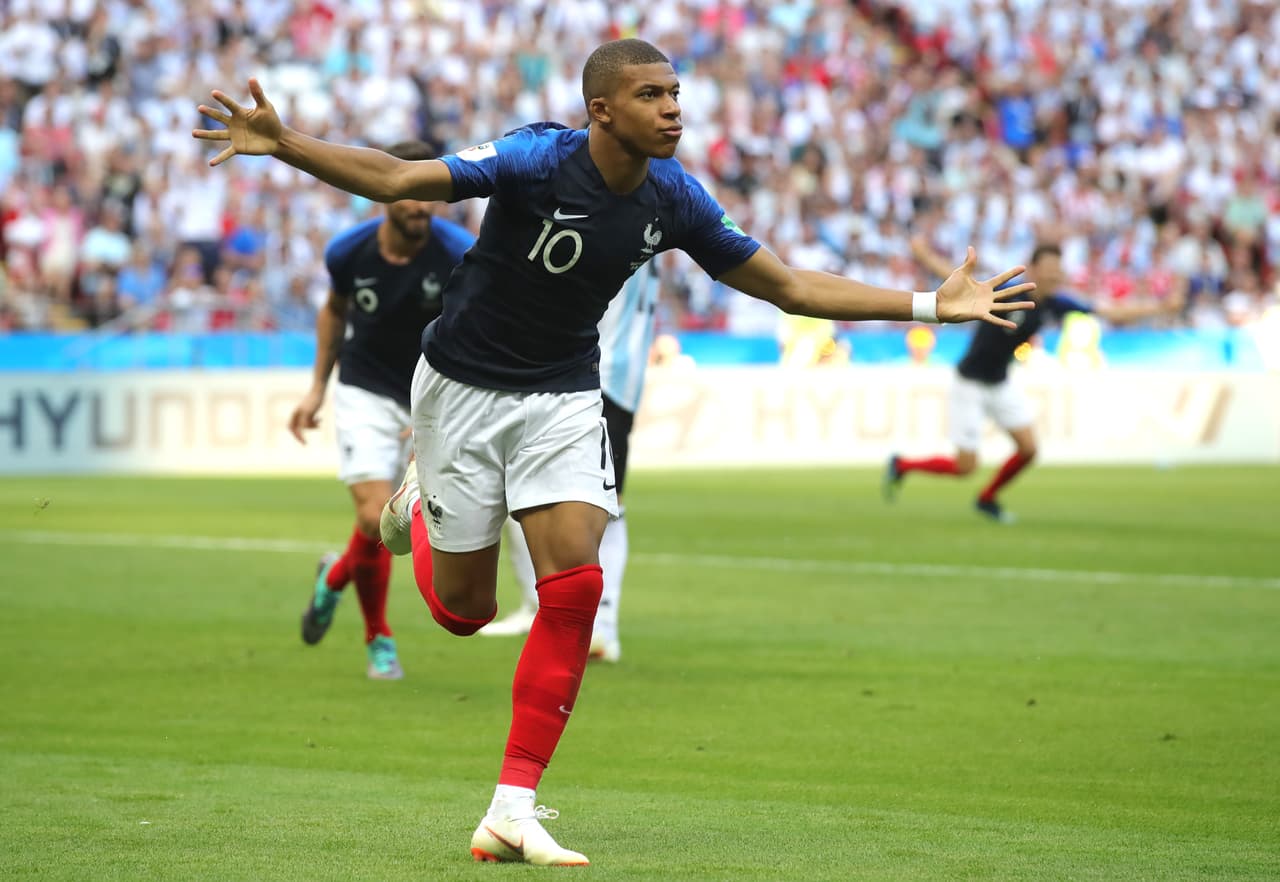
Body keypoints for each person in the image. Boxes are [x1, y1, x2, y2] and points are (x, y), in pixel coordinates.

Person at [194, 38, 1033, 866]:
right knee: (464, 614)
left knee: (576, 587)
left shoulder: (675, 198)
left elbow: (790, 288)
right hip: (459, 393)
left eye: (675, 93)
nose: (673, 109)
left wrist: (929, 303)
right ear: (602, 109)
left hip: (563, 395)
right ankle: (417, 502)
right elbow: (400, 178)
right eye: (651, 96)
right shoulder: (532, 159)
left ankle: (512, 809)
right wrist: (287, 144)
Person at [288, 140, 474, 680]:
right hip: (364, 388)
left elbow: (469, 334)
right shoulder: (348, 252)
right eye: (411, 196)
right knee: (374, 516)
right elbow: (334, 312)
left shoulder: (459, 252)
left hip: (429, 395)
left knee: (388, 526)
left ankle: (334, 577)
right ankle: (379, 640)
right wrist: (316, 388)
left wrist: (441, 406)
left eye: (429, 199)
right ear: (386, 192)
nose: (420, 208)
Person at [884, 236, 1174, 523]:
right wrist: (922, 253)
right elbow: (958, 280)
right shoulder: (1009, 294)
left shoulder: (1055, 304)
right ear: (1034, 269)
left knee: (1029, 449)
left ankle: (987, 498)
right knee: (965, 467)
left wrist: (1161, 308)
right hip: (970, 382)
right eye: (1048, 268)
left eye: (1058, 270)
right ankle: (902, 464)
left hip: (999, 381)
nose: (1054, 275)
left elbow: (1109, 311)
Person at [480, 258, 663, 663]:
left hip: (590, 374)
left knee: (602, 504)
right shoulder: (653, 216)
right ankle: (545, 608)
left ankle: (601, 626)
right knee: (527, 490)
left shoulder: (623, 213)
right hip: (607, 375)